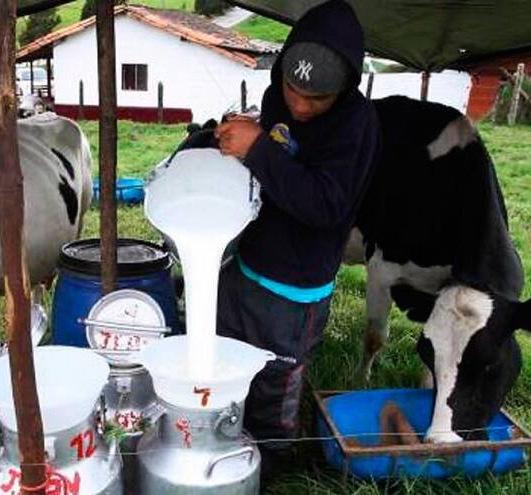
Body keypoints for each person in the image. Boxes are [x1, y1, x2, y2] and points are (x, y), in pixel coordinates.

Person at [212, 0, 381, 482]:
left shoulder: (357, 126)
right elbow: (273, 154)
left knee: (275, 377)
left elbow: (325, 205)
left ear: (346, 87)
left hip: (295, 288)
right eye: (292, 90)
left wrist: (260, 149)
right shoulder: (275, 100)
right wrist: (240, 140)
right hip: (246, 263)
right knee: (225, 354)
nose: (302, 106)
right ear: (281, 71)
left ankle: (272, 461)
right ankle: (221, 440)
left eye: (318, 98)